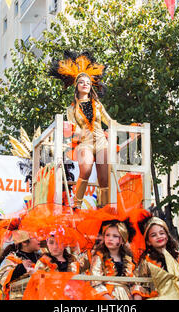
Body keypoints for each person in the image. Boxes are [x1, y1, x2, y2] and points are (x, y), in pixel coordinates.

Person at [50, 51, 113, 209]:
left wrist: (129, 129)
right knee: (85, 169)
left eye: (88, 82)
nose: (85, 84)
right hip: (84, 142)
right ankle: (76, 205)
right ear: (77, 86)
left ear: (91, 85)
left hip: (100, 141)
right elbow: (72, 127)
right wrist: (77, 132)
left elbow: (110, 121)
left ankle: (103, 208)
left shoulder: (97, 104)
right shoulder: (71, 109)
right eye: (82, 82)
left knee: (104, 178)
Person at [132, 216, 179, 300]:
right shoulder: (146, 260)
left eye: (162, 233)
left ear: (167, 236)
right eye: (153, 235)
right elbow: (138, 283)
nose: (159, 236)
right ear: (148, 242)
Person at [90, 219, 136, 300]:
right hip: (105, 296)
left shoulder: (128, 259)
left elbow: (134, 283)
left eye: (115, 236)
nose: (110, 239)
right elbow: (95, 282)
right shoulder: (98, 257)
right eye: (107, 235)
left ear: (122, 240)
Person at [0, 229, 41, 299]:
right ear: (24, 242)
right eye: (35, 237)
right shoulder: (12, 259)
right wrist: (21, 268)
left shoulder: (42, 258)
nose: (39, 239)